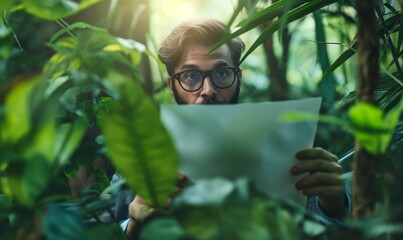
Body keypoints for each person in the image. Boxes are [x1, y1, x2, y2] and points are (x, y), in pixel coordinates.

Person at [118, 19, 351, 238]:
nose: (208, 90)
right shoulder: (140, 152)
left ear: (237, 78)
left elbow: (315, 231)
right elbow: (100, 226)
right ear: (172, 85)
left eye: (221, 73)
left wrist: (334, 206)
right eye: (191, 76)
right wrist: (133, 225)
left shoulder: (282, 145)